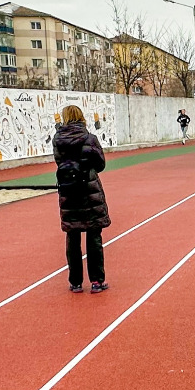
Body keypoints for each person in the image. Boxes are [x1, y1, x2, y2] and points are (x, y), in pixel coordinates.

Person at [54, 104, 111, 292]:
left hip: (68, 191)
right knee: (94, 236)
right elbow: (101, 164)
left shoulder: (58, 139)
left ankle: (75, 282)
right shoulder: (90, 138)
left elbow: (59, 161)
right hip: (89, 190)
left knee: (73, 236)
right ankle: (96, 281)